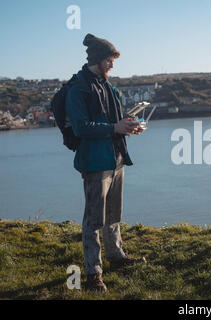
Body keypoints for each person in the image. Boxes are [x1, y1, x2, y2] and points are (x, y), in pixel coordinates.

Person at [65, 33, 146, 292]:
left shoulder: (107, 86)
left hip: (116, 158)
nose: (112, 65)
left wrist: (129, 126)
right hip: (95, 163)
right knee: (93, 221)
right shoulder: (79, 88)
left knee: (113, 215)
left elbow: (116, 119)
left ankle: (116, 257)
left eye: (113, 60)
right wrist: (115, 127)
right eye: (109, 60)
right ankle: (93, 273)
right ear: (98, 59)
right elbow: (80, 127)